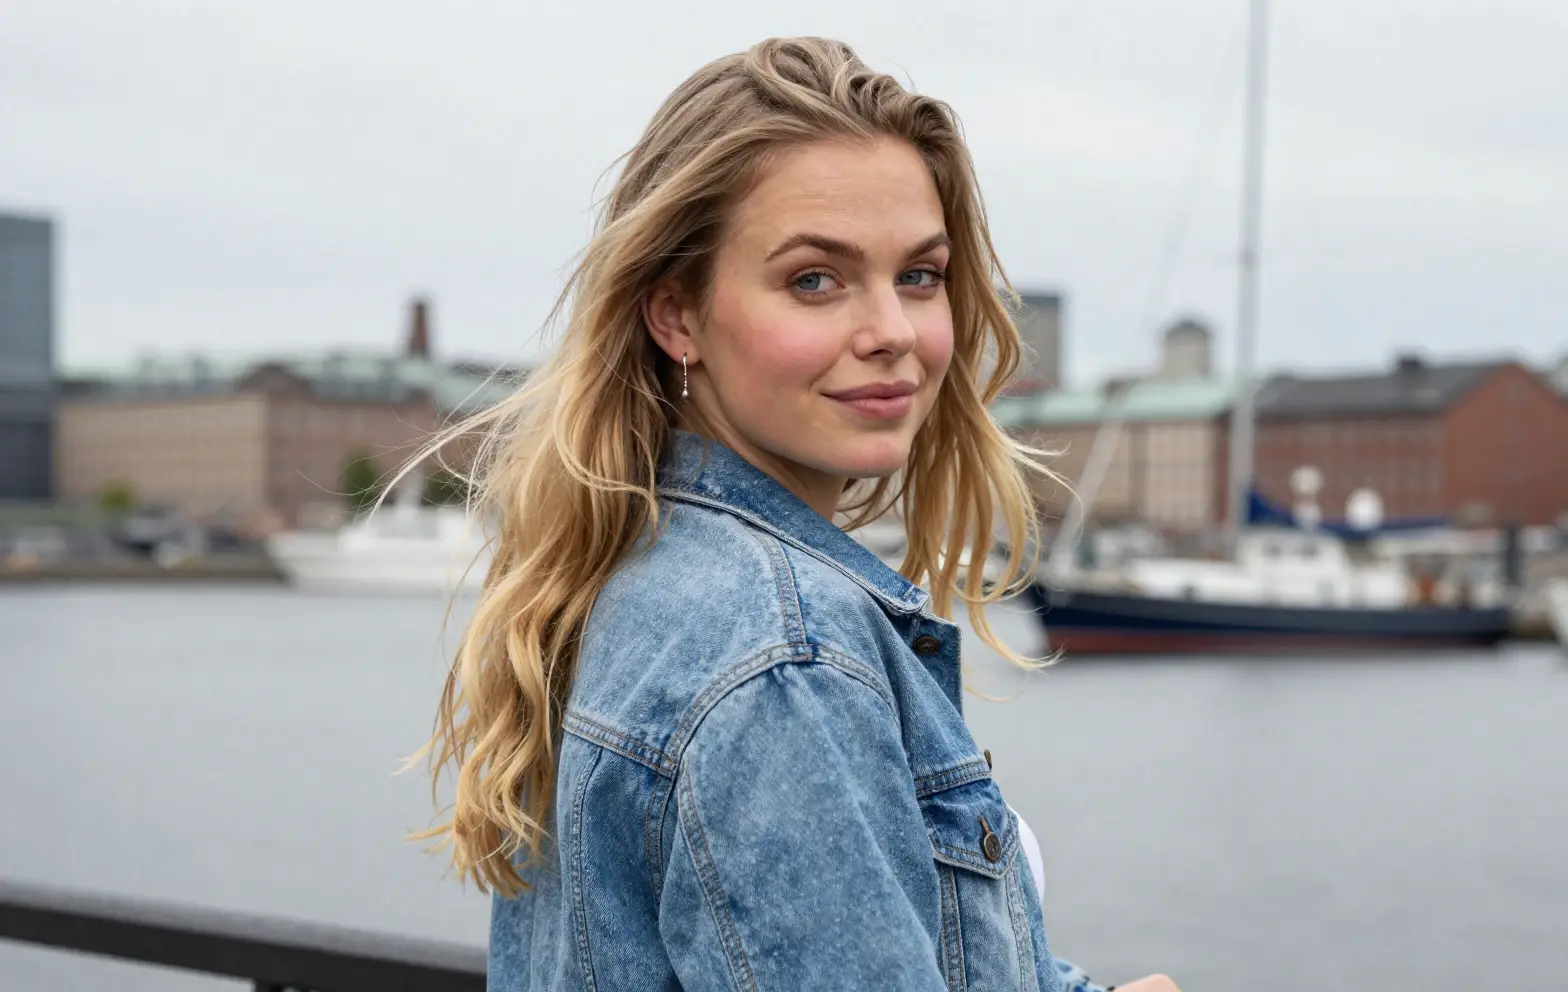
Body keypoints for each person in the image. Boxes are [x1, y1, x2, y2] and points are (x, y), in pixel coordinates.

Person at [408, 37, 1180, 992]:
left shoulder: (639, 568)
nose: (892, 332)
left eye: (920, 276)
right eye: (815, 279)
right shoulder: (784, 659)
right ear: (676, 315)